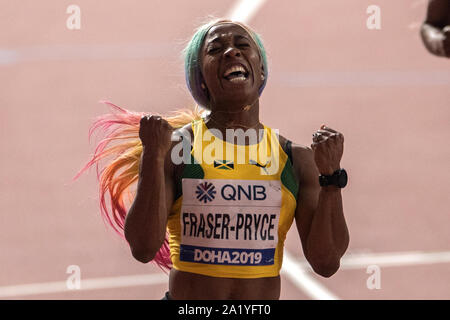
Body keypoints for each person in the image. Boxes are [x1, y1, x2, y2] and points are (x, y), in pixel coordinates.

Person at [78, 19, 349, 300]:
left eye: (242, 45)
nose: (231, 52)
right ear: (201, 80)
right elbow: (143, 247)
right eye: (216, 49)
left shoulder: (294, 160)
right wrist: (151, 157)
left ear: (261, 69)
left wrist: (331, 179)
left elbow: (326, 262)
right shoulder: (179, 149)